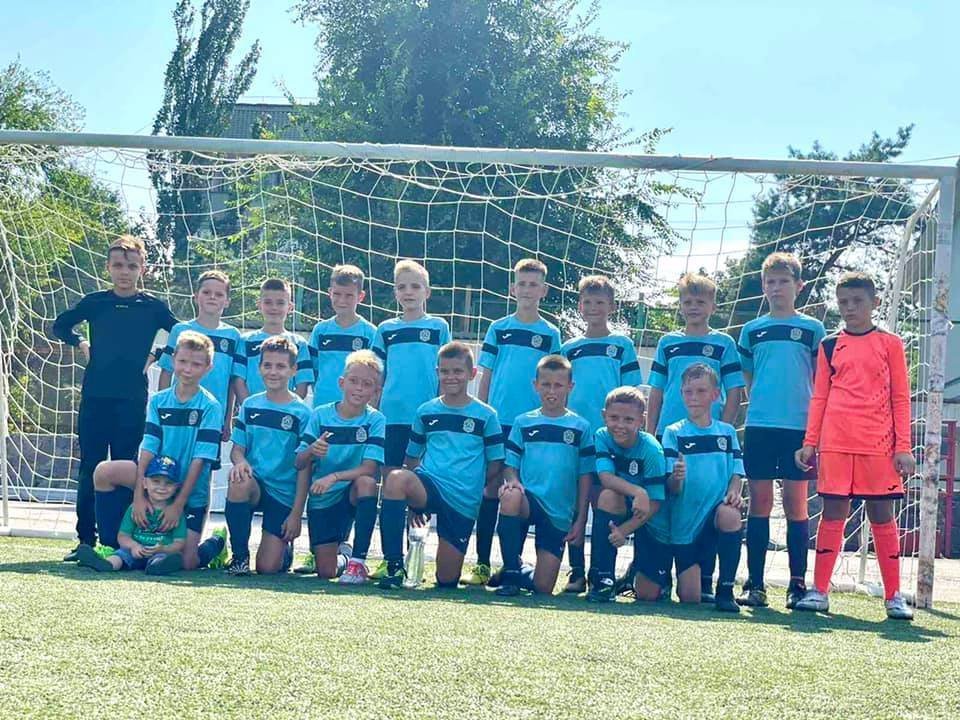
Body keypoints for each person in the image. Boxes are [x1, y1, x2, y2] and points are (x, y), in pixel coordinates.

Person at [794, 272, 915, 620]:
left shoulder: (890, 343)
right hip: (835, 443)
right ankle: (820, 591)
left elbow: (900, 397)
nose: (850, 308)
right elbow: (819, 396)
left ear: (875, 303)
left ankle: (893, 596)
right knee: (833, 513)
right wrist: (810, 442)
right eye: (843, 302)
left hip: (878, 445)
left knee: (882, 516)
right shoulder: (829, 344)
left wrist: (903, 447)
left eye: (857, 301)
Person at [51, 234, 178, 560]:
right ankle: (85, 541)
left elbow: (180, 334)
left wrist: (157, 355)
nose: (125, 272)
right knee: (90, 466)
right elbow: (60, 325)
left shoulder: (152, 306)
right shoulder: (96, 302)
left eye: (131, 266)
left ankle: (120, 541)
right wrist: (81, 343)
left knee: (126, 468)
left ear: (142, 269)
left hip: (132, 400)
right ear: (108, 267)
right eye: (119, 265)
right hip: (96, 397)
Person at [92, 331, 227, 570]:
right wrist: (139, 495)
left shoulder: (211, 407)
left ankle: (215, 545)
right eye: (183, 361)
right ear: (173, 360)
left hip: (189, 489)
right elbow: (148, 449)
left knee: (187, 562)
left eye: (196, 364)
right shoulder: (158, 401)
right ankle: (110, 544)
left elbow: (200, 460)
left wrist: (178, 505)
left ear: (208, 368)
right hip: (155, 479)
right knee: (104, 472)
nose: (187, 369)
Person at [647, 273, 745, 601]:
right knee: (668, 501)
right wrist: (650, 434)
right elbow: (656, 390)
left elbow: (734, 391)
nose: (693, 307)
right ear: (680, 305)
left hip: (708, 441)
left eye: (700, 302)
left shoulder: (724, 343)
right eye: (687, 301)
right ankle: (654, 571)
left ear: (713, 306)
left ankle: (706, 577)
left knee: (708, 501)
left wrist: (719, 432)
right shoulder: (667, 342)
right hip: (669, 436)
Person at [737, 252, 825, 609]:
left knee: (795, 503)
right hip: (760, 425)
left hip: (798, 429)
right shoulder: (751, 330)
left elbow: (820, 380)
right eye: (770, 282)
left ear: (798, 286)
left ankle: (797, 584)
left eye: (783, 281)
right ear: (763, 286)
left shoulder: (812, 329)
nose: (776, 288)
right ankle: (755, 584)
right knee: (759, 502)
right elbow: (748, 377)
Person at [377, 342, 504, 589]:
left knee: (446, 580)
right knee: (395, 478)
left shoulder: (487, 415)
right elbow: (412, 458)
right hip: (430, 485)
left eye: (457, 371)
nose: (451, 377)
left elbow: (496, 463)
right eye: (445, 371)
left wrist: (473, 485)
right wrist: (416, 501)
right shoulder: (426, 411)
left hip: (462, 499)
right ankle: (394, 565)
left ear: (472, 374)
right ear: (437, 373)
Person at [470, 258, 561, 587]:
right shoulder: (498, 328)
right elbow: (487, 373)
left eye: (533, 284)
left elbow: (554, 378)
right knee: (491, 487)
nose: (527, 289)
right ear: (512, 288)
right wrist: (483, 413)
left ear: (544, 290)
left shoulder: (550, 333)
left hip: (532, 426)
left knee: (521, 489)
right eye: (521, 283)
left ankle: (514, 563)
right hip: (499, 422)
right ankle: (482, 563)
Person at [560, 274, 642, 593]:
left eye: (600, 302)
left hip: (611, 438)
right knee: (576, 504)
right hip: (575, 436)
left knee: (603, 501)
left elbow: (633, 392)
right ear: (580, 307)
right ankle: (576, 571)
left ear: (611, 306)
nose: (593, 307)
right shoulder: (569, 348)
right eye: (588, 302)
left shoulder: (621, 345)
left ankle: (600, 571)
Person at [370, 259, 450, 579]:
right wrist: (372, 415)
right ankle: (391, 559)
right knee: (390, 485)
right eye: (402, 287)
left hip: (427, 421)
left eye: (415, 286)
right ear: (395, 293)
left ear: (427, 292)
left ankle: (417, 556)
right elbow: (376, 376)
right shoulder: (385, 330)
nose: (408, 292)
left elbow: (446, 374)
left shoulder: (438, 327)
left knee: (419, 487)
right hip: (391, 419)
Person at [496, 355, 593, 596]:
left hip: (558, 512)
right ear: (535, 385)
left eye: (558, 385)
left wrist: (580, 519)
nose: (552, 391)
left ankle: (522, 570)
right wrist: (513, 481)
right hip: (529, 500)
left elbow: (585, 476)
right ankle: (510, 573)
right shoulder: (523, 422)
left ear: (570, 387)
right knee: (510, 495)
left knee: (543, 588)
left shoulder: (581, 427)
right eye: (546, 384)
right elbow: (510, 465)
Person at [225, 336, 312, 575]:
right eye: (268, 365)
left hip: (283, 493)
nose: (273, 372)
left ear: (293, 370)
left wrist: (296, 514)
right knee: (238, 479)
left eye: (281, 366)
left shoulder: (302, 413)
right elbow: (237, 450)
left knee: (267, 568)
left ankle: (284, 551)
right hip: (255, 485)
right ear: (259, 367)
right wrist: (240, 462)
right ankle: (239, 557)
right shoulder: (250, 405)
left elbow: (305, 467)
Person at [661, 363, 745, 613]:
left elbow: (737, 471)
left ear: (715, 395)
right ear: (681, 394)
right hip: (686, 524)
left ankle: (726, 591)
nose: (694, 397)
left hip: (715, 516)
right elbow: (671, 488)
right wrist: (677, 477)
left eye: (701, 391)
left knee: (731, 514)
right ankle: (698, 581)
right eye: (688, 392)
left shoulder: (727, 433)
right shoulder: (674, 433)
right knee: (690, 597)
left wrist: (734, 490)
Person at [295, 350, 385, 582]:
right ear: (342, 383)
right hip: (323, 498)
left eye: (367, 384)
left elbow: (370, 468)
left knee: (366, 483)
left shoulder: (375, 420)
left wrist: (334, 477)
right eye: (354, 381)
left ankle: (358, 562)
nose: (359, 388)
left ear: (376, 391)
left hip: (350, 492)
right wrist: (311, 450)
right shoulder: (320, 415)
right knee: (326, 572)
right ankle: (344, 556)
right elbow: (299, 462)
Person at [587, 387, 667, 603]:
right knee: (608, 496)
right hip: (623, 506)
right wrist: (638, 491)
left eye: (628, 419)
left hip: (650, 518)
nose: (620, 425)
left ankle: (637, 571)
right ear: (604, 416)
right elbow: (606, 477)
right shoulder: (602, 436)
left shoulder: (652, 450)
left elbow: (655, 503)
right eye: (614, 418)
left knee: (648, 595)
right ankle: (603, 578)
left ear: (641, 420)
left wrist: (624, 530)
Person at [158, 269, 243, 443]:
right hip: (179, 411)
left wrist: (228, 419)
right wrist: (163, 409)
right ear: (195, 297)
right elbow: (166, 371)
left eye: (219, 294)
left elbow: (231, 382)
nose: (212, 297)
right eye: (206, 292)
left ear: (227, 301)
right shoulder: (180, 330)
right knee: (173, 456)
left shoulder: (233, 335)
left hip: (213, 414)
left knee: (205, 458)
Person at [76, 455, 186, 576]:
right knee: (120, 555)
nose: (162, 487)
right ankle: (106, 564)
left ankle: (157, 567)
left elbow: (179, 542)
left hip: (159, 552)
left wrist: (163, 549)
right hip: (133, 551)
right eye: (156, 481)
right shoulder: (136, 508)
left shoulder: (176, 513)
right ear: (144, 483)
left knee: (162, 558)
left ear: (176, 487)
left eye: (168, 483)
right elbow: (123, 536)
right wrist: (134, 546)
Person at [308, 264, 377, 408]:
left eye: (349, 295)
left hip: (357, 408)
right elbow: (313, 369)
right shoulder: (320, 331)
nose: (342, 300)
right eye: (337, 294)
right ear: (330, 293)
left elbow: (374, 375)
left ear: (361, 296)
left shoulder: (369, 332)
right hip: (323, 405)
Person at [234, 278, 312, 402]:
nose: (274, 307)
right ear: (259, 305)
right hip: (252, 411)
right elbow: (238, 381)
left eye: (280, 303)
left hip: (286, 411)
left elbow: (302, 385)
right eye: (268, 302)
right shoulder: (245, 341)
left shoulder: (299, 343)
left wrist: (287, 408)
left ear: (290, 307)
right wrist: (250, 407)